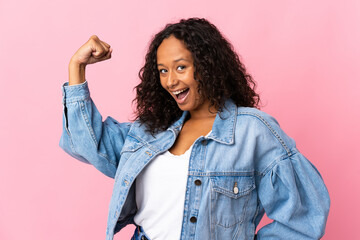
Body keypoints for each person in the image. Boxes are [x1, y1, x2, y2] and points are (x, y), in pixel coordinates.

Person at [59, 18, 330, 240]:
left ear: (207, 65)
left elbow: (304, 219)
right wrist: (77, 67)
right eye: (163, 71)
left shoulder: (253, 131)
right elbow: (86, 143)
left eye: (180, 67)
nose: (171, 81)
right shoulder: (149, 131)